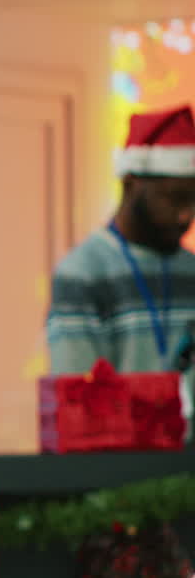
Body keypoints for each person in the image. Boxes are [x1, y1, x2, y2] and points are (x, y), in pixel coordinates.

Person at [48, 105, 195, 375]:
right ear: (130, 184)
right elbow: (76, 396)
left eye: (193, 201)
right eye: (174, 198)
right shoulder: (82, 273)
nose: (185, 215)